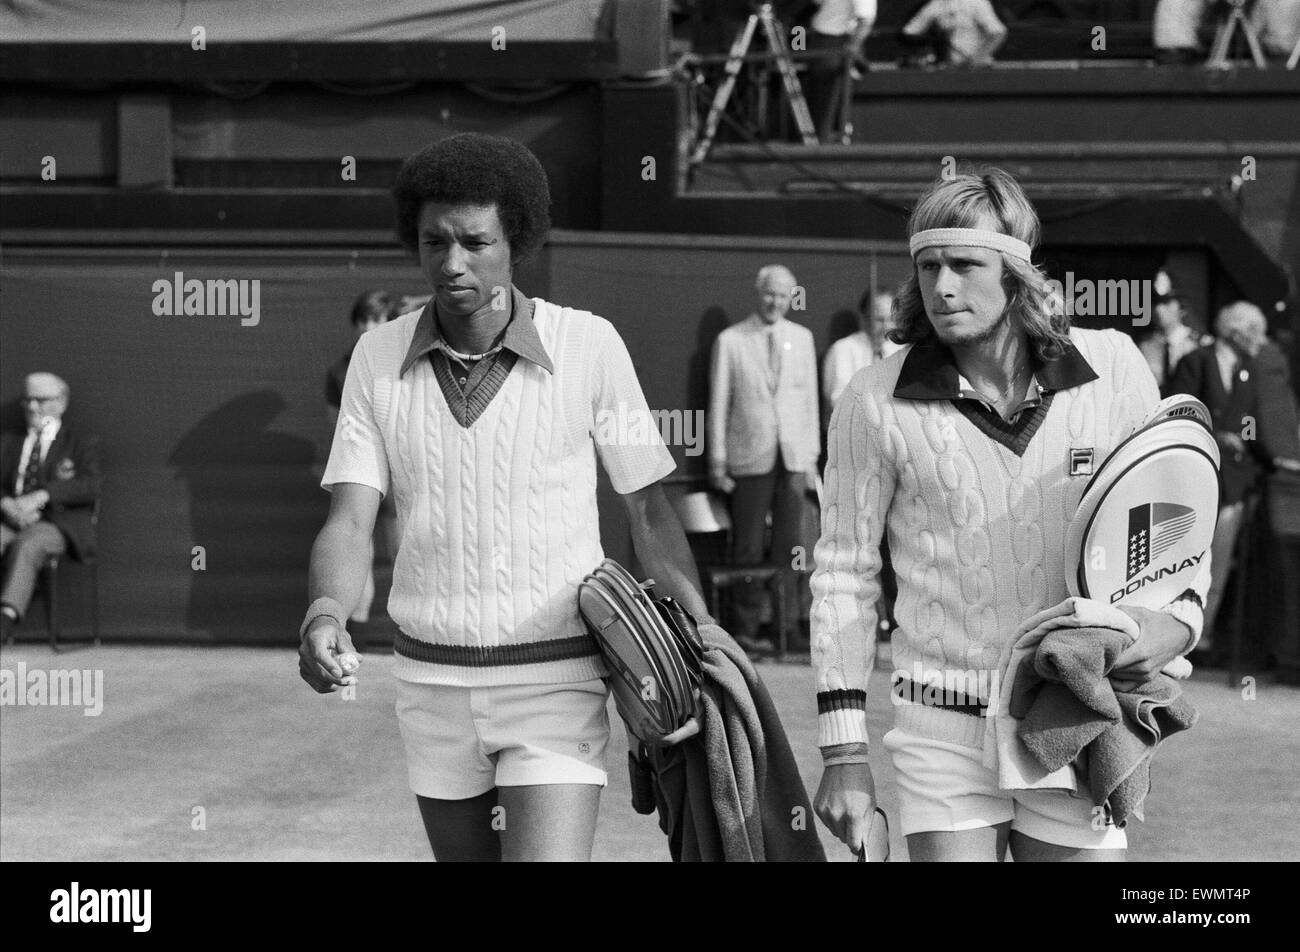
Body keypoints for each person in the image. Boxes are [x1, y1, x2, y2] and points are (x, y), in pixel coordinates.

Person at [298, 133, 711, 862]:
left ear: (514, 239)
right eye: (434, 242)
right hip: (429, 684)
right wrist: (325, 611)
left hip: (558, 681)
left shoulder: (590, 345)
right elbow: (350, 515)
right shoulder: (376, 355)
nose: (453, 263)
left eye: (474, 241)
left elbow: (648, 509)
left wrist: (703, 643)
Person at [811, 168, 1206, 861]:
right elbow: (843, 573)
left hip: (1073, 713)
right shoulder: (872, 398)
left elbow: (1178, 525)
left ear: (1020, 273)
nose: (943, 286)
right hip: (938, 728)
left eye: (965, 264)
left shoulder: (1112, 365)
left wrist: (1176, 625)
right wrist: (844, 749)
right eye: (928, 266)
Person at [708, 264, 821, 652]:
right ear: (758, 294)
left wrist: (810, 459)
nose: (775, 302)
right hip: (748, 457)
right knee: (748, 548)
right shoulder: (731, 340)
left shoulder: (802, 339)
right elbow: (718, 404)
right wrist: (718, 463)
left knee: (791, 548)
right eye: (769, 293)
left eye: (783, 295)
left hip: (792, 459)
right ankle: (747, 630)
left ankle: (786, 628)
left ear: (793, 297)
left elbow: (809, 404)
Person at [1170, 301, 1292, 653]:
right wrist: (1215, 433)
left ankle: (1197, 637)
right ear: (1238, 331)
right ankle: (1172, 633)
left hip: (1234, 484)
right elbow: (1178, 414)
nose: (1262, 340)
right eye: (1257, 331)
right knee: (1184, 558)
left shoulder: (1248, 370)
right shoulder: (1196, 362)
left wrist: (1268, 460)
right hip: (1195, 479)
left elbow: (1249, 426)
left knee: (1218, 564)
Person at [1, 373, 101, 641]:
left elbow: (90, 486)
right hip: (10, 521)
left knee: (28, 545)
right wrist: (7, 503)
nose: (33, 407)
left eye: (41, 400)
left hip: (57, 524)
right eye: (28, 400)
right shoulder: (9, 443)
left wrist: (43, 495)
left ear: (61, 402)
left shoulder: (78, 444)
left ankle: (5, 620)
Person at [325, 289, 396, 624]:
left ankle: (411, 635)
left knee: (407, 555)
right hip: (360, 478)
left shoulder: (405, 365)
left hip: (401, 479)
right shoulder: (340, 373)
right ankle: (355, 636)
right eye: (364, 319)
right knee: (356, 554)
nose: (369, 326)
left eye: (377, 318)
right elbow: (338, 432)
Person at [803, 0, 876, 142]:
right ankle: (816, 139)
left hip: (836, 44)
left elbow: (866, 20)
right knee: (818, 94)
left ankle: (826, 141)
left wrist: (853, 48)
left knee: (829, 95)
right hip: (819, 40)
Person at [822, 289, 899, 411]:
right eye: (879, 320)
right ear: (864, 319)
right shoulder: (843, 349)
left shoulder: (900, 349)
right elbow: (838, 399)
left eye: (891, 319)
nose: (886, 327)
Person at [900, 0, 1007, 68]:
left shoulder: (976, 2)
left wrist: (977, 59)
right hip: (948, 70)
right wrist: (931, 40)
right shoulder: (935, 4)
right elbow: (908, 33)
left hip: (978, 72)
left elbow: (998, 33)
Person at [1138, 289, 1204, 395]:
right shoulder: (1145, 345)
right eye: (1155, 304)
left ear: (1182, 309)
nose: (1159, 309)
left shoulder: (1199, 344)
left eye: (1167, 304)